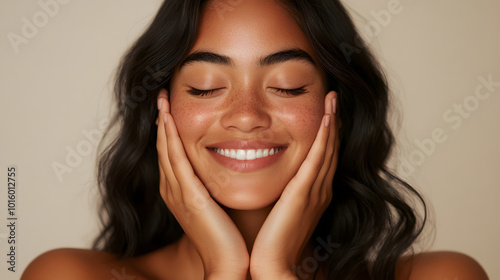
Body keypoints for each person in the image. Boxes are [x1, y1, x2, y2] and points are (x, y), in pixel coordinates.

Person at [22, 0, 489, 279]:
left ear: (339, 108)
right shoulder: (67, 275)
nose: (246, 117)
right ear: (159, 112)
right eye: (205, 86)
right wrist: (225, 270)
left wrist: (276, 274)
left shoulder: (444, 275)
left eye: (287, 85)